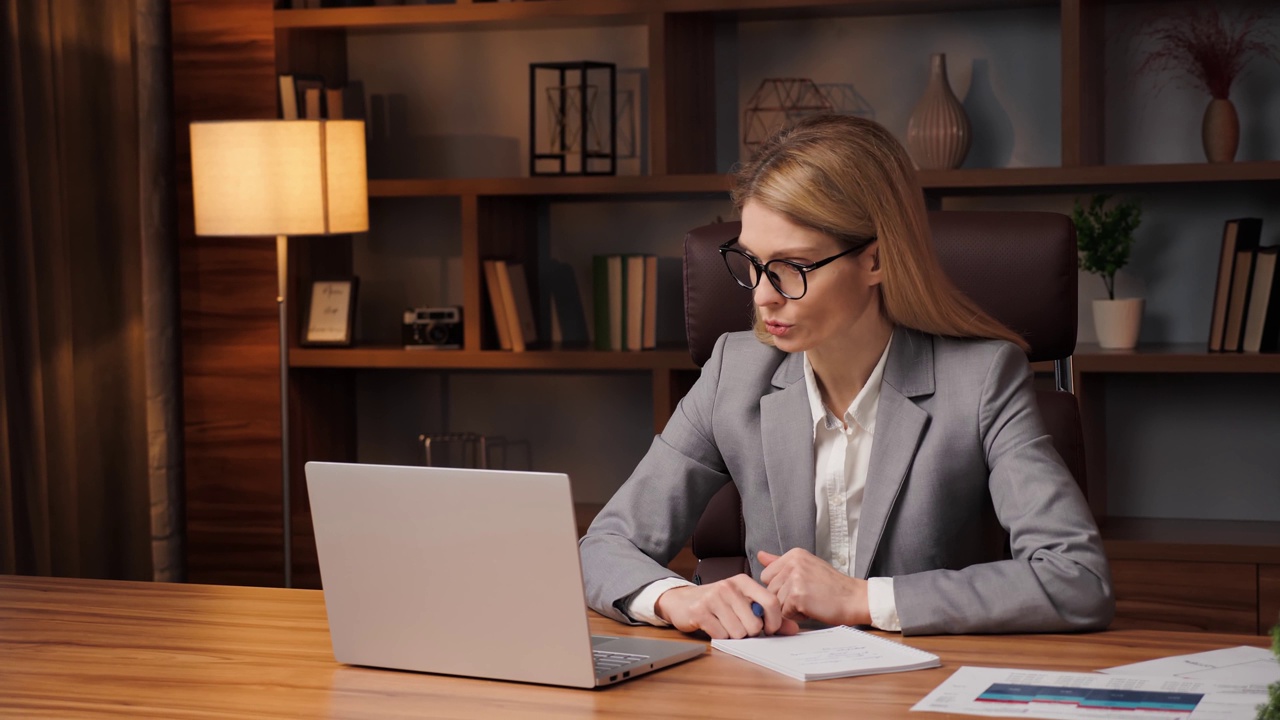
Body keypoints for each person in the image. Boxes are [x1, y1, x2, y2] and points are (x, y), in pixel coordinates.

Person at [579, 114, 1114, 639]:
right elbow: (604, 546)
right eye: (751, 262)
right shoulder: (733, 372)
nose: (763, 294)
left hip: (918, 690)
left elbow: (1075, 578)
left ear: (876, 260)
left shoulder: (981, 381)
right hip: (766, 687)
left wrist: (862, 598)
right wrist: (678, 599)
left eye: (793, 266)